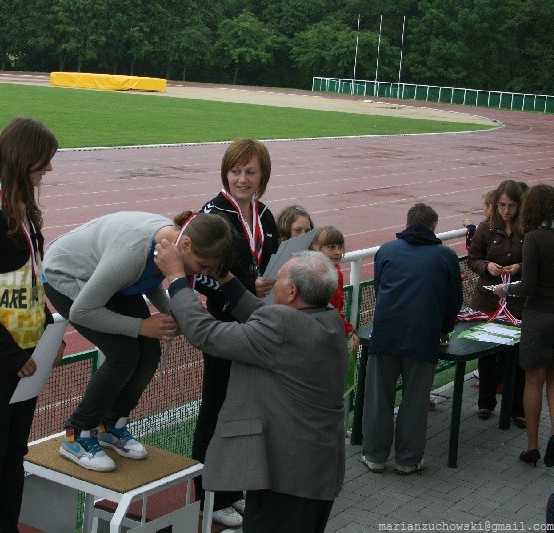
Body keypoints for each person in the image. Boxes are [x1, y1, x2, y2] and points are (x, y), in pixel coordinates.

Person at [154, 246, 348, 533]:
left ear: (291, 292)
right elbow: (262, 313)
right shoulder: (325, 317)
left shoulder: (282, 327)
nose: (274, 285)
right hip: (314, 471)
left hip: (288, 480)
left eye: (279, 280)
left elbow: (206, 334)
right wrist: (224, 276)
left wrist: (177, 278)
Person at [42, 210, 234, 472]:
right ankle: (77, 434)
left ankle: (111, 425)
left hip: (108, 277)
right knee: (123, 354)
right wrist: (142, 326)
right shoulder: (133, 253)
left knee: (149, 352)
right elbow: (81, 312)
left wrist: (170, 311)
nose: (205, 273)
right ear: (186, 245)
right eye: (202, 266)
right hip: (67, 274)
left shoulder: (170, 245)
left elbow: (147, 280)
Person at [0, 117, 66, 532]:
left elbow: (33, 280)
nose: (50, 169)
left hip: (30, 352)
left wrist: (49, 331)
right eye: (44, 161)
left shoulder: (25, 212)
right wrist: (11, 354)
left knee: (15, 449)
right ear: (24, 160)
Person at [191, 138, 279, 527]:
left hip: (258, 325)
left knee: (244, 410)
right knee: (216, 408)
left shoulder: (266, 215)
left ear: (263, 176)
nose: (242, 179)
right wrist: (243, 287)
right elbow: (197, 273)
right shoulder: (213, 215)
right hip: (224, 328)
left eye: (250, 172)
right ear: (225, 173)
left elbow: (271, 262)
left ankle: (228, 492)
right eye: (235, 171)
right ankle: (206, 496)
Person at [361, 203, 463, 474]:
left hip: (385, 334)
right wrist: (443, 329)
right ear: (434, 227)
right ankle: (408, 461)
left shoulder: (386, 250)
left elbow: (380, 289)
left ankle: (374, 456)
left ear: (407, 224)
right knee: (415, 401)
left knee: (379, 398)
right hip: (423, 337)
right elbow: (453, 299)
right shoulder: (446, 256)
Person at [491, 184, 554, 466]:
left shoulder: (533, 238)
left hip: (538, 316)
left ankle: (532, 447)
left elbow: (528, 285)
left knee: (533, 381)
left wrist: (503, 290)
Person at [467, 179, 526, 427]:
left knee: (517, 355)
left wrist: (520, 267)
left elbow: (538, 260)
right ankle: (485, 402)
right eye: (501, 205)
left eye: (511, 206)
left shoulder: (527, 229)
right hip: (488, 300)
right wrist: (487, 266)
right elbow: (473, 259)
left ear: (520, 205)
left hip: (517, 301)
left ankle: (516, 409)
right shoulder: (485, 228)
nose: (506, 211)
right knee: (487, 355)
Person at [309, 226, 360, 394]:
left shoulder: (337, 272)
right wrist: (347, 328)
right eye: (331, 247)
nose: (337, 252)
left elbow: (337, 309)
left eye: (340, 246)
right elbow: (328, 311)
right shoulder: (314, 275)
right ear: (316, 247)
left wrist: (348, 329)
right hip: (319, 340)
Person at [463, 188, 495, 253]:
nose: (482, 208)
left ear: (490, 207)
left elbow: (472, 247)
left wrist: (470, 228)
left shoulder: (486, 226)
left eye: (484, 205)